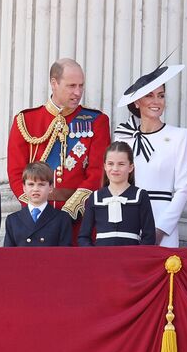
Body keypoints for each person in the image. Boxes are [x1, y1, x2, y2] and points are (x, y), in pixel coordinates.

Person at [7, 58, 111, 244]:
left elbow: (98, 172)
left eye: (81, 86)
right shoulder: (26, 121)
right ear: (54, 83)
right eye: (71, 86)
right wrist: (36, 208)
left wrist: (72, 209)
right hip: (36, 220)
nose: (78, 92)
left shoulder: (97, 121)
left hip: (80, 219)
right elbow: (16, 173)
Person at [114, 63, 187, 247]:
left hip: (163, 223)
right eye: (149, 95)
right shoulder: (123, 137)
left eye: (161, 95)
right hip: (127, 219)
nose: (156, 101)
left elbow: (183, 189)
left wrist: (161, 229)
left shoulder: (179, 136)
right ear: (136, 101)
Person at [77, 141, 155, 246]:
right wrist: (94, 256)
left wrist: (137, 258)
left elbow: (149, 236)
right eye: (110, 164)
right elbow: (83, 237)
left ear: (131, 167)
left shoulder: (141, 195)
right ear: (105, 166)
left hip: (131, 258)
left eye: (121, 164)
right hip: (101, 259)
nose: (115, 169)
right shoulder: (95, 197)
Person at [4, 162, 72, 247]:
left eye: (41, 184)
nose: (35, 189)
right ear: (24, 187)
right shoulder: (13, 220)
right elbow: (8, 256)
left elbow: (65, 255)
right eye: (31, 184)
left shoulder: (62, 219)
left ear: (50, 187)